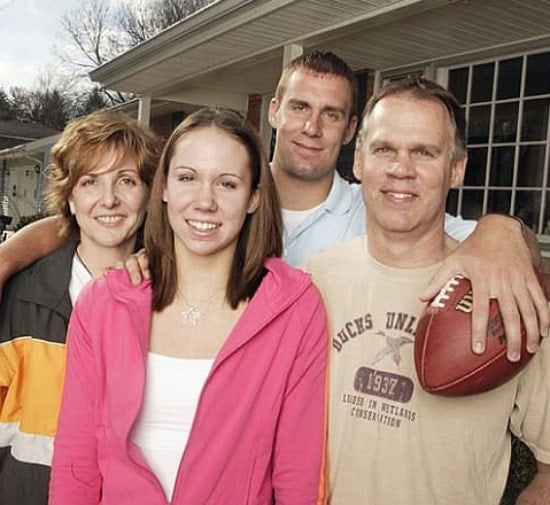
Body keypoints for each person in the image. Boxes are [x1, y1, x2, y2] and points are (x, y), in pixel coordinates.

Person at [0, 52, 547, 357]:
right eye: (301, 107)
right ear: (276, 110)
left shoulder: (378, 211)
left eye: (332, 114)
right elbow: (100, 219)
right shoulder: (199, 218)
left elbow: (469, 237)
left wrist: (501, 230)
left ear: (351, 133)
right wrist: (10, 254)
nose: (312, 127)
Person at [48, 108, 329, 504]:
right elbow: (76, 463)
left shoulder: (294, 309)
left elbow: (297, 476)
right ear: (163, 187)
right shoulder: (103, 304)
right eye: (187, 178)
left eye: (227, 184)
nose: (205, 201)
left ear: (253, 199)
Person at [301, 76, 550, 504]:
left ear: (456, 169)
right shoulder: (315, 279)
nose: (401, 169)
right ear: (358, 161)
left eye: (424, 152)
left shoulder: (506, 293)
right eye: (384, 149)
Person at [0, 110, 160, 505]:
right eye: (90, 182)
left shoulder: (172, 301)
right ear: (69, 199)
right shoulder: (19, 298)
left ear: (148, 194)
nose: (109, 199)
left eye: (126, 180)